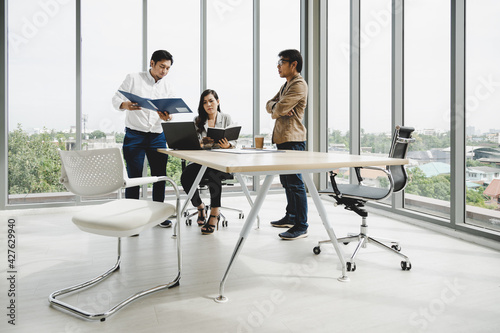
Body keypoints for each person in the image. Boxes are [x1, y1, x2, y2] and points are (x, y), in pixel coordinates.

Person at [112, 50, 175, 228]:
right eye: (162, 66)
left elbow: (170, 113)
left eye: (168, 68)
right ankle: (131, 218)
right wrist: (125, 105)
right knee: (134, 177)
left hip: (157, 135)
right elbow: (116, 98)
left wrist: (167, 117)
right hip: (135, 135)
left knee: (160, 176)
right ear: (152, 63)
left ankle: (159, 216)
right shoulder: (133, 78)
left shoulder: (168, 87)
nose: (164, 71)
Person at [265, 49, 309, 240]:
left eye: (282, 62)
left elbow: (279, 108)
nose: (278, 66)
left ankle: (301, 225)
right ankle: (291, 216)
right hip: (283, 139)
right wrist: (277, 107)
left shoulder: (299, 85)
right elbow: (270, 104)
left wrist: (278, 107)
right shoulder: (287, 85)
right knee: (287, 182)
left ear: (294, 64)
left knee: (295, 183)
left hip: (294, 139)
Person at [180, 89, 236, 235]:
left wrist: (228, 145)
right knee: (185, 177)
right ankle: (200, 206)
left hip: (221, 161)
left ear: (218, 101)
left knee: (213, 173)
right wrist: (200, 144)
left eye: (211, 101)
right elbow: (192, 143)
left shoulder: (226, 118)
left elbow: (234, 140)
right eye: (204, 102)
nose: (208, 104)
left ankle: (214, 213)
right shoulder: (197, 121)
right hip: (202, 160)